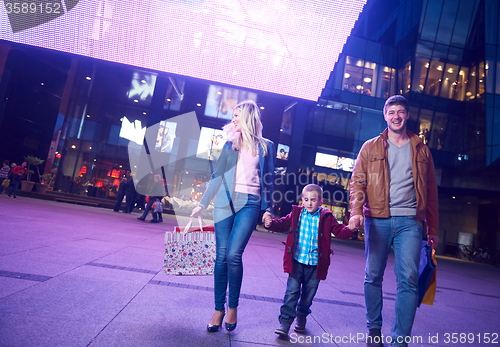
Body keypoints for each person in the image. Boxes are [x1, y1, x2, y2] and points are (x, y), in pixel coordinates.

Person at [348, 95, 439, 347]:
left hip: (411, 221)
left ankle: (399, 339)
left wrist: (433, 228)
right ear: (385, 116)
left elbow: (431, 191)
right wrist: (355, 210)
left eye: (401, 111)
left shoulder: (421, 148)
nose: (396, 116)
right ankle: (374, 330)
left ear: (407, 115)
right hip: (377, 219)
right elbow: (357, 182)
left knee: (408, 279)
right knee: (372, 275)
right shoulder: (370, 147)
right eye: (391, 112)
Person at [190, 100, 275, 333]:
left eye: (237, 115)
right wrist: (202, 203)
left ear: (248, 117)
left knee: (234, 256)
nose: (234, 119)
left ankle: (233, 308)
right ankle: (218, 309)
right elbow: (218, 175)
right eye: (233, 115)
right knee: (221, 257)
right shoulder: (230, 144)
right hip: (224, 203)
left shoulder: (266, 146)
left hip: (250, 203)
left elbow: (268, 180)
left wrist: (268, 209)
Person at [263, 184, 357, 338]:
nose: (309, 203)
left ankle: (301, 316)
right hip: (296, 261)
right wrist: (271, 223)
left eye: (313, 200)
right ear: (302, 200)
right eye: (306, 199)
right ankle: (285, 322)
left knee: (307, 296)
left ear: (321, 201)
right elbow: (283, 224)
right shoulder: (296, 214)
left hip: (315, 265)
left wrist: (351, 229)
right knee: (291, 292)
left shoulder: (326, 217)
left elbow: (339, 231)